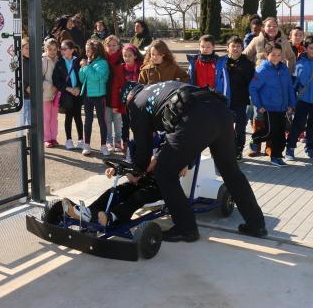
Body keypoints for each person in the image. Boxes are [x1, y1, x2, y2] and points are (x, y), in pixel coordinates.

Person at [122, 81, 267, 242]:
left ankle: (186, 229)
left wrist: (138, 172)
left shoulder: (136, 103)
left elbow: (143, 148)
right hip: (221, 112)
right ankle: (256, 224)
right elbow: (174, 133)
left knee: (164, 173)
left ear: (127, 98)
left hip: (196, 118)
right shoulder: (156, 89)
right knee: (231, 171)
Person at [244, 17, 296, 157]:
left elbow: (291, 57)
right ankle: (255, 146)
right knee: (259, 117)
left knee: (275, 121)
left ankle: (270, 148)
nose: (271, 28)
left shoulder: (284, 42)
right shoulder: (257, 41)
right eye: (268, 26)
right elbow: (245, 56)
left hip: (277, 86)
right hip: (261, 87)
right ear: (263, 28)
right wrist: (251, 73)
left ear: (278, 27)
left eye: (274, 26)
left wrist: (288, 73)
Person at [249, 43, 296, 166]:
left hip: (282, 107)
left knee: (280, 133)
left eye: (279, 55)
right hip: (268, 107)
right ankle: (255, 138)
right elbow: (253, 88)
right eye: (273, 55)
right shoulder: (262, 69)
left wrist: (292, 104)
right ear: (266, 54)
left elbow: (289, 87)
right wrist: (259, 105)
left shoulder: (284, 69)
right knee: (271, 131)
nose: (276, 57)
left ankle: (276, 156)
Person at [217, 36, 254, 160]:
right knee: (225, 128)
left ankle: (238, 149)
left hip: (240, 101)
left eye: (238, 46)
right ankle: (227, 149)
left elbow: (251, 83)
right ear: (228, 48)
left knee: (240, 127)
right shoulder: (221, 62)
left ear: (242, 48)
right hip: (224, 101)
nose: (235, 48)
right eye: (233, 46)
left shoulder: (247, 64)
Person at [111, 44, 144, 157]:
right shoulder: (119, 69)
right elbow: (115, 88)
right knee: (125, 125)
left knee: (137, 125)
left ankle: (138, 145)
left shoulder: (141, 67)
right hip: (124, 103)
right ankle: (125, 146)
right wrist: (115, 105)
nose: (127, 58)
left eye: (130, 55)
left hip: (138, 102)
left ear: (135, 56)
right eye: (125, 56)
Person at [79, 39, 110, 156]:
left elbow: (96, 77)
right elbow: (82, 79)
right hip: (87, 95)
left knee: (102, 121)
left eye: (88, 50)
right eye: (86, 50)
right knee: (88, 121)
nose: (86, 53)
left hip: (99, 96)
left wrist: (86, 67)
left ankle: (103, 146)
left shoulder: (102, 63)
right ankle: (86, 144)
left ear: (95, 51)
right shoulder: (88, 62)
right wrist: (82, 69)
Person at [53, 40, 84, 150]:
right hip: (67, 94)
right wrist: (68, 89)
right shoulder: (59, 63)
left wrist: (79, 88)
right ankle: (69, 139)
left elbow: (84, 77)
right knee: (69, 116)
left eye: (64, 49)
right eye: (61, 49)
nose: (62, 51)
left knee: (78, 116)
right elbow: (56, 80)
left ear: (72, 50)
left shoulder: (79, 61)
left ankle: (81, 139)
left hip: (78, 93)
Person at [104, 35, 124, 152]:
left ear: (118, 46)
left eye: (114, 45)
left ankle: (117, 141)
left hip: (118, 95)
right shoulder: (102, 59)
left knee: (117, 120)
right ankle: (108, 141)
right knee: (107, 120)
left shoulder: (122, 58)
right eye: (109, 45)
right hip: (105, 93)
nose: (111, 47)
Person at [42, 38, 60, 147]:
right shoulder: (42, 60)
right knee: (46, 117)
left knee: (54, 118)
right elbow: (39, 77)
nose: (52, 52)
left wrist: (57, 87)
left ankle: (54, 137)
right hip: (45, 94)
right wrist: (50, 86)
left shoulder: (58, 60)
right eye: (50, 49)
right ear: (46, 49)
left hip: (56, 94)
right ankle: (47, 138)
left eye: (54, 49)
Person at [21, 37, 31, 126]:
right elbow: (17, 78)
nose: (29, 51)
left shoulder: (35, 61)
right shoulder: (18, 62)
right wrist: (26, 87)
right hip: (22, 98)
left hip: (33, 97)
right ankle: (20, 137)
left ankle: (30, 138)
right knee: (22, 120)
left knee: (31, 120)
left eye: (31, 48)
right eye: (27, 48)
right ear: (21, 49)